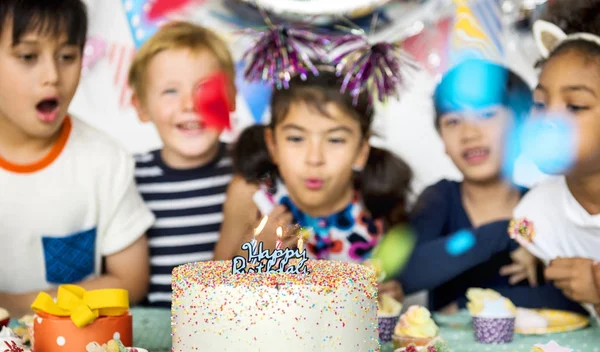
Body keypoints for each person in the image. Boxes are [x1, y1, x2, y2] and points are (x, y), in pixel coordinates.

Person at [382, 59, 584, 313]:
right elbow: (406, 274)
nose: (469, 133)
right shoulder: (440, 198)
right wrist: (509, 232)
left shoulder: (546, 206)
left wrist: (466, 304)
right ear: (442, 139)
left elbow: (575, 303)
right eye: (453, 121)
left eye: (486, 115)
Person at [0, 0, 155, 317]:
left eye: (67, 57)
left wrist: (19, 304)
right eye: (28, 56)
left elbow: (131, 280)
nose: (52, 75)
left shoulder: (105, 160)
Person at [213, 69, 412, 265]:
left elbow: (390, 285)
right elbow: (209, 294)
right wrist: (250, 254)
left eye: (335, 140)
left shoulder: (380, 203)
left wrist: (391, 290)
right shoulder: (252, 196)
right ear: (273, 144)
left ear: (361, 150)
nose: (314, 158)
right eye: (296, 138)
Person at [129, 21, 235, 307]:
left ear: (232, 99)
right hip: (155, 333)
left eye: (205, 88)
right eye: (170, 91)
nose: (190, 104)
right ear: (141, 106)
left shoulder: (249, 171)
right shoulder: (128, 177)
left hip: (231, 327)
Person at [513, 0, 600, 313]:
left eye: (575, 106)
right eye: (539, 103)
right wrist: (527, 252)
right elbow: (520, 227)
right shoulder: (535, 209)